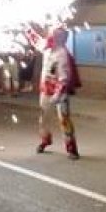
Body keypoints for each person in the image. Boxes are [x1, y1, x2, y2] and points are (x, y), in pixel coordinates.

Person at [36, 28, 80, 160]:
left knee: (64, 120)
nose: (49, 38)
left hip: (60, 93)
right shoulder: (46, 49)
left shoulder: (62, 54)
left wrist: (57, 94)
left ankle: (72, 148)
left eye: (53, 36)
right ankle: (45, 140)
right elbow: (35, 40)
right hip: (45, 90)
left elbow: (64, 78)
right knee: (43, 118)